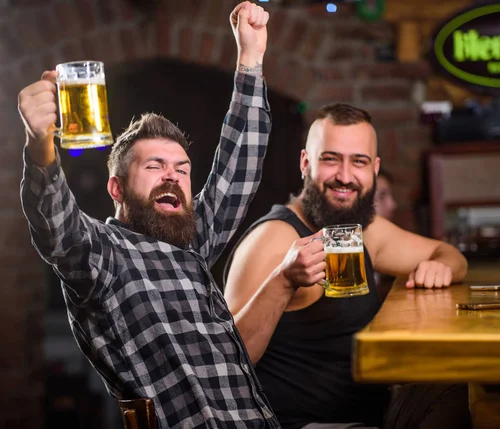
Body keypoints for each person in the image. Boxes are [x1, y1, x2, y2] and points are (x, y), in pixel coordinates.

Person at [19, 2, 279, 428]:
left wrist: (250, 58)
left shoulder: (192, 240)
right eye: (154, 167)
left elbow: (240, 167)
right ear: (117, 188)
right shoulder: (104, 254)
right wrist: (39, 146)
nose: (172, 177)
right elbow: (56, 224)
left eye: (181, 169)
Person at [223, 103, 470, 429]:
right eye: (330, 159)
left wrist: (441, 268)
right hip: (299, 424)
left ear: (374, 169)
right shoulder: (273, 238)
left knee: (458, 380)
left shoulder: (360, 230)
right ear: (305, 163)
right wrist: (283, 281)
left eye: (359, 162)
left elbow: (451, 255)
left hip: (368, 413)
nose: (344, 176)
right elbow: (225, 362)